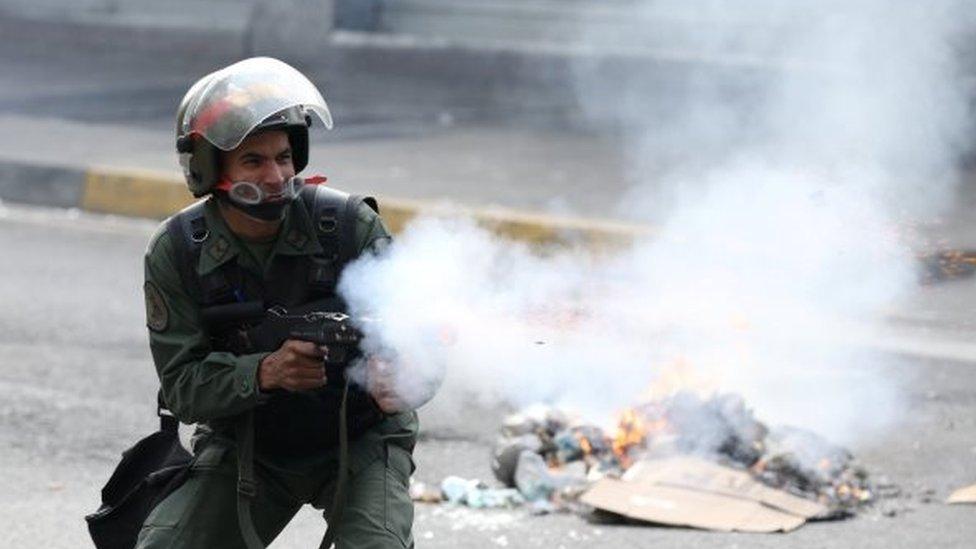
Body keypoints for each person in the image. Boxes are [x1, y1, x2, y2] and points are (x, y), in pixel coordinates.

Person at [137, 57, 422, 549]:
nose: (276, 176)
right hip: (249, 442)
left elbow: (422, 337)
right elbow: (183, 390)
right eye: (254, 160)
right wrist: (266, 372)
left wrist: (405, 379)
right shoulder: (180, 251)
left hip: (360, 437)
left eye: (285, 157)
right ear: (209, 168)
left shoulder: (349, 226)